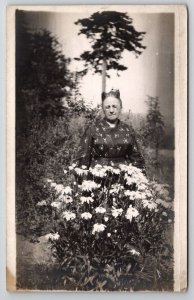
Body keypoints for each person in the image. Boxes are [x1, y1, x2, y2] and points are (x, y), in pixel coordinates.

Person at [75, 89, 145, 172]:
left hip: (124, 177)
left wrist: (140, 178)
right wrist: (82, 180)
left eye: (114, 106)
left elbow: (136, 158)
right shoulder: (92, 130)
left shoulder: (128, 130)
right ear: (103, 109)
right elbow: (83, 158)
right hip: (98, 177)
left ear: (120, 108)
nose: (111, 110)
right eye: (107, 107)